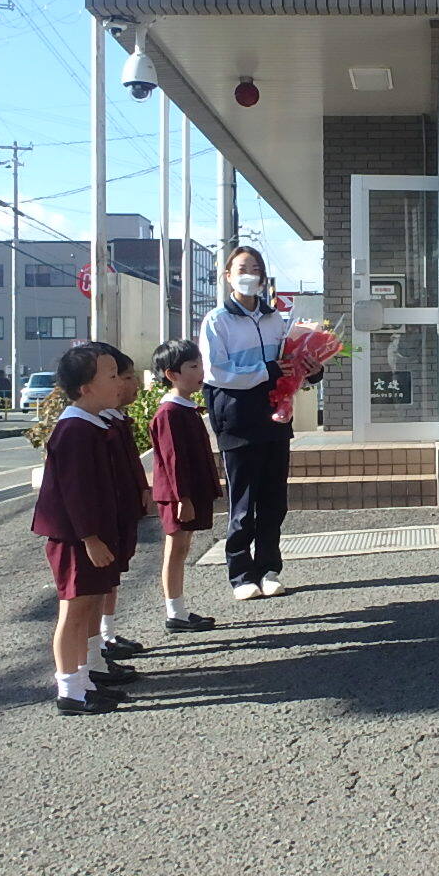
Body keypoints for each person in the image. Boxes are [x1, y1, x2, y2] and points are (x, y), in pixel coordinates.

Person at [200, 246, 304, 602]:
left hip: (275, 417)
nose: (250, 275)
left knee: (274, 501)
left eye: (256, 269)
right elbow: (216, 372)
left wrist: (309, 369)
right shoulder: (217, 321)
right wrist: (265, 371)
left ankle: (269, 569)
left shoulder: (276, 319)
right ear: (228, 275)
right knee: (242, 504)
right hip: (237, 419)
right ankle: (241, 574)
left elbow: (287, 363)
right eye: (242, 268)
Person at [29, 343, 127, 716]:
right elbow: (75, 492)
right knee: (73, 612)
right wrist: (90, 537)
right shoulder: (74, 430)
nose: (119, 383)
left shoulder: (92, 424)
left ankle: (84, 681)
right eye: (111, 376)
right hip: (77, 539)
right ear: (85, 388)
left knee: (86, 608)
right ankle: (69, 689)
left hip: (91, 536)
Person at [150, 338, 220, 634]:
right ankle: (175, 612)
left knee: (182, 547)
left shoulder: (185, 408)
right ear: (172, 374)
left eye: (200, 364)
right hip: (178, 496)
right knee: (176, 549)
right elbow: (172, 460)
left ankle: (178, 610)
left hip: (186, 493)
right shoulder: (169, 412)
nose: (200, 371)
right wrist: (183, 497)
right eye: (193, 366)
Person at [96, 346, 150, 668]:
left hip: (123, 509)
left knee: (114, 574)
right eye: (124, 377)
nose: (131, 384)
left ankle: (108, 633)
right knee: (102, 579)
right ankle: (98, 644)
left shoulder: (117, 420)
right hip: (107, 513)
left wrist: (142, 489)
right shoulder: (96, 425)